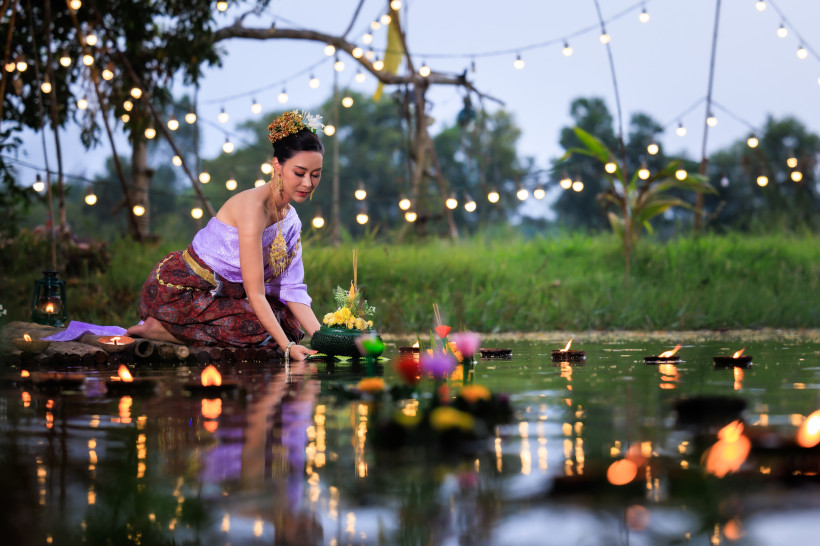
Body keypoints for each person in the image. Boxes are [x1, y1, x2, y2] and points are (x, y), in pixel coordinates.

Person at [127, 110, 325, 362]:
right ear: (277, 165)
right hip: (182, 292)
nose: (307, 183)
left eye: (315, 174)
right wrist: (287, 348)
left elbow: (290, 288)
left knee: (288, 324)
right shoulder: (253, 209)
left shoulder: (291, 220)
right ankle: (159, 329)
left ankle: (180, 330)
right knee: (263, 331)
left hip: (228, 296)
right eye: (299, 173)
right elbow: (256, 294)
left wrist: (327, 341)